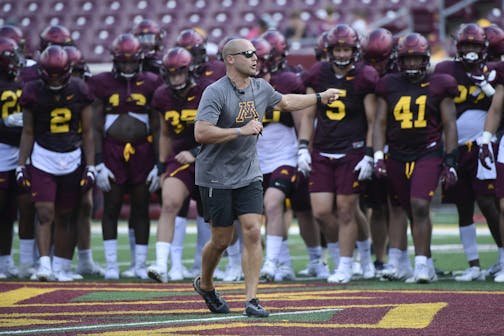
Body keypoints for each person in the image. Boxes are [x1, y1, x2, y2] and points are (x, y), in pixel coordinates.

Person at [193, 38, 340, 317]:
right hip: (215, 176)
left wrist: (320, 97)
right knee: (222, 240)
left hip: (249, 172)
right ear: (231, 59)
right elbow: (201, 133)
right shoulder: (215, 92)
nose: (255, 58)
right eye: (248, 54)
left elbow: (285, 102)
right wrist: (240, 131)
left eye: (255, 54)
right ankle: (207, 284)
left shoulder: (260, 87)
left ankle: (252, 298)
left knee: (251, 230)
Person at [373, 32, 459, 283]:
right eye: (407, 60)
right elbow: (379, 123)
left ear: (426, 59)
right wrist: (378, 154)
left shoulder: (440, 83)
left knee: (419, 205)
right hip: (397, 153)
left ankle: (422, 264)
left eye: (416, 59)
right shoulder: (389, 84)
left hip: (428, 152)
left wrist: (451, 159)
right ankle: (398, 262)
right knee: (398, 207)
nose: (411, 64)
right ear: (399, 60)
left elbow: (450, 124)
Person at [299, 24, 378, 284]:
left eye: (346, 49)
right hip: (323, 148)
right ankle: (342, 257)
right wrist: (302, 147)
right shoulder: (318, 74)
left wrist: (369, 153)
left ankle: (348, 263)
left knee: (347, 209)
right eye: (338, 49)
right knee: (321, 212)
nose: (342, 54)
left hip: (351, 149)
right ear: (329, 50)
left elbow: (372, 119)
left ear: (354, 50)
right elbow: (309, 113)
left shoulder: (364, 76)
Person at [17, 45, 96, 281]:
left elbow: (88, 132)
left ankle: (61, 267)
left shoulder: (79, 88)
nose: (54, 81)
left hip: (72, 156)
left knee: (66, 214)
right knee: (44, 211)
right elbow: (28, 131)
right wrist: (22, 164)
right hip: (43, 156)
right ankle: (44, 265)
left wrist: (90, 165)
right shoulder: (33, 91)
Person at [87, 33, 162, 280]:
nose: (128, 67)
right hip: (112, 151)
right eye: (124, 62)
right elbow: (95, 126)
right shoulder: (102, 83)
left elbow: (157, 126)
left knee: (140, 208)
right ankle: (111, 265)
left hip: (142, 151)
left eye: (132, 62)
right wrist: (98, 162)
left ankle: (139, 265)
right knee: (111, 206)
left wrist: (158, 163)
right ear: (115, 61)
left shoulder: (151, 81)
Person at [434, 23, 503, 281]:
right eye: (467, 45)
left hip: (482, 146)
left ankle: (502, 258)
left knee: (488, 202)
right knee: (462, 205)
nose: (471, 50)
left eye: (475, 45)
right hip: (454, 147)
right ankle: (473, 264)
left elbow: (499, 108)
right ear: (458, 47)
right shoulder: (445, 69)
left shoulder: (494, 70)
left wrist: (487, 87)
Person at [146, 47, 210, 283]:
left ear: (190, 70)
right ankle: (161, 264)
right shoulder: (163, 95)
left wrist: (196, 152)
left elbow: (220, 129)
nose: (175, 78)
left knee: (218, 214)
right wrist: (162, 166)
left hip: (211, 157)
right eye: (171, 74)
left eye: (179, 73)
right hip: (180, 159)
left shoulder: (206, 91)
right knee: (170, 202)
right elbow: (164, 134)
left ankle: (225, 264)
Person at [361, 27, 412, 279]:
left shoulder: (403, 72)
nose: (374, 65)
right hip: (373, 144)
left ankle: (402, 257)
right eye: (369, 60)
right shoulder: (361, 74)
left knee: (402, 205)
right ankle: (380, 259)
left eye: (379, 59)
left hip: (403, 144)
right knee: (377, 206)